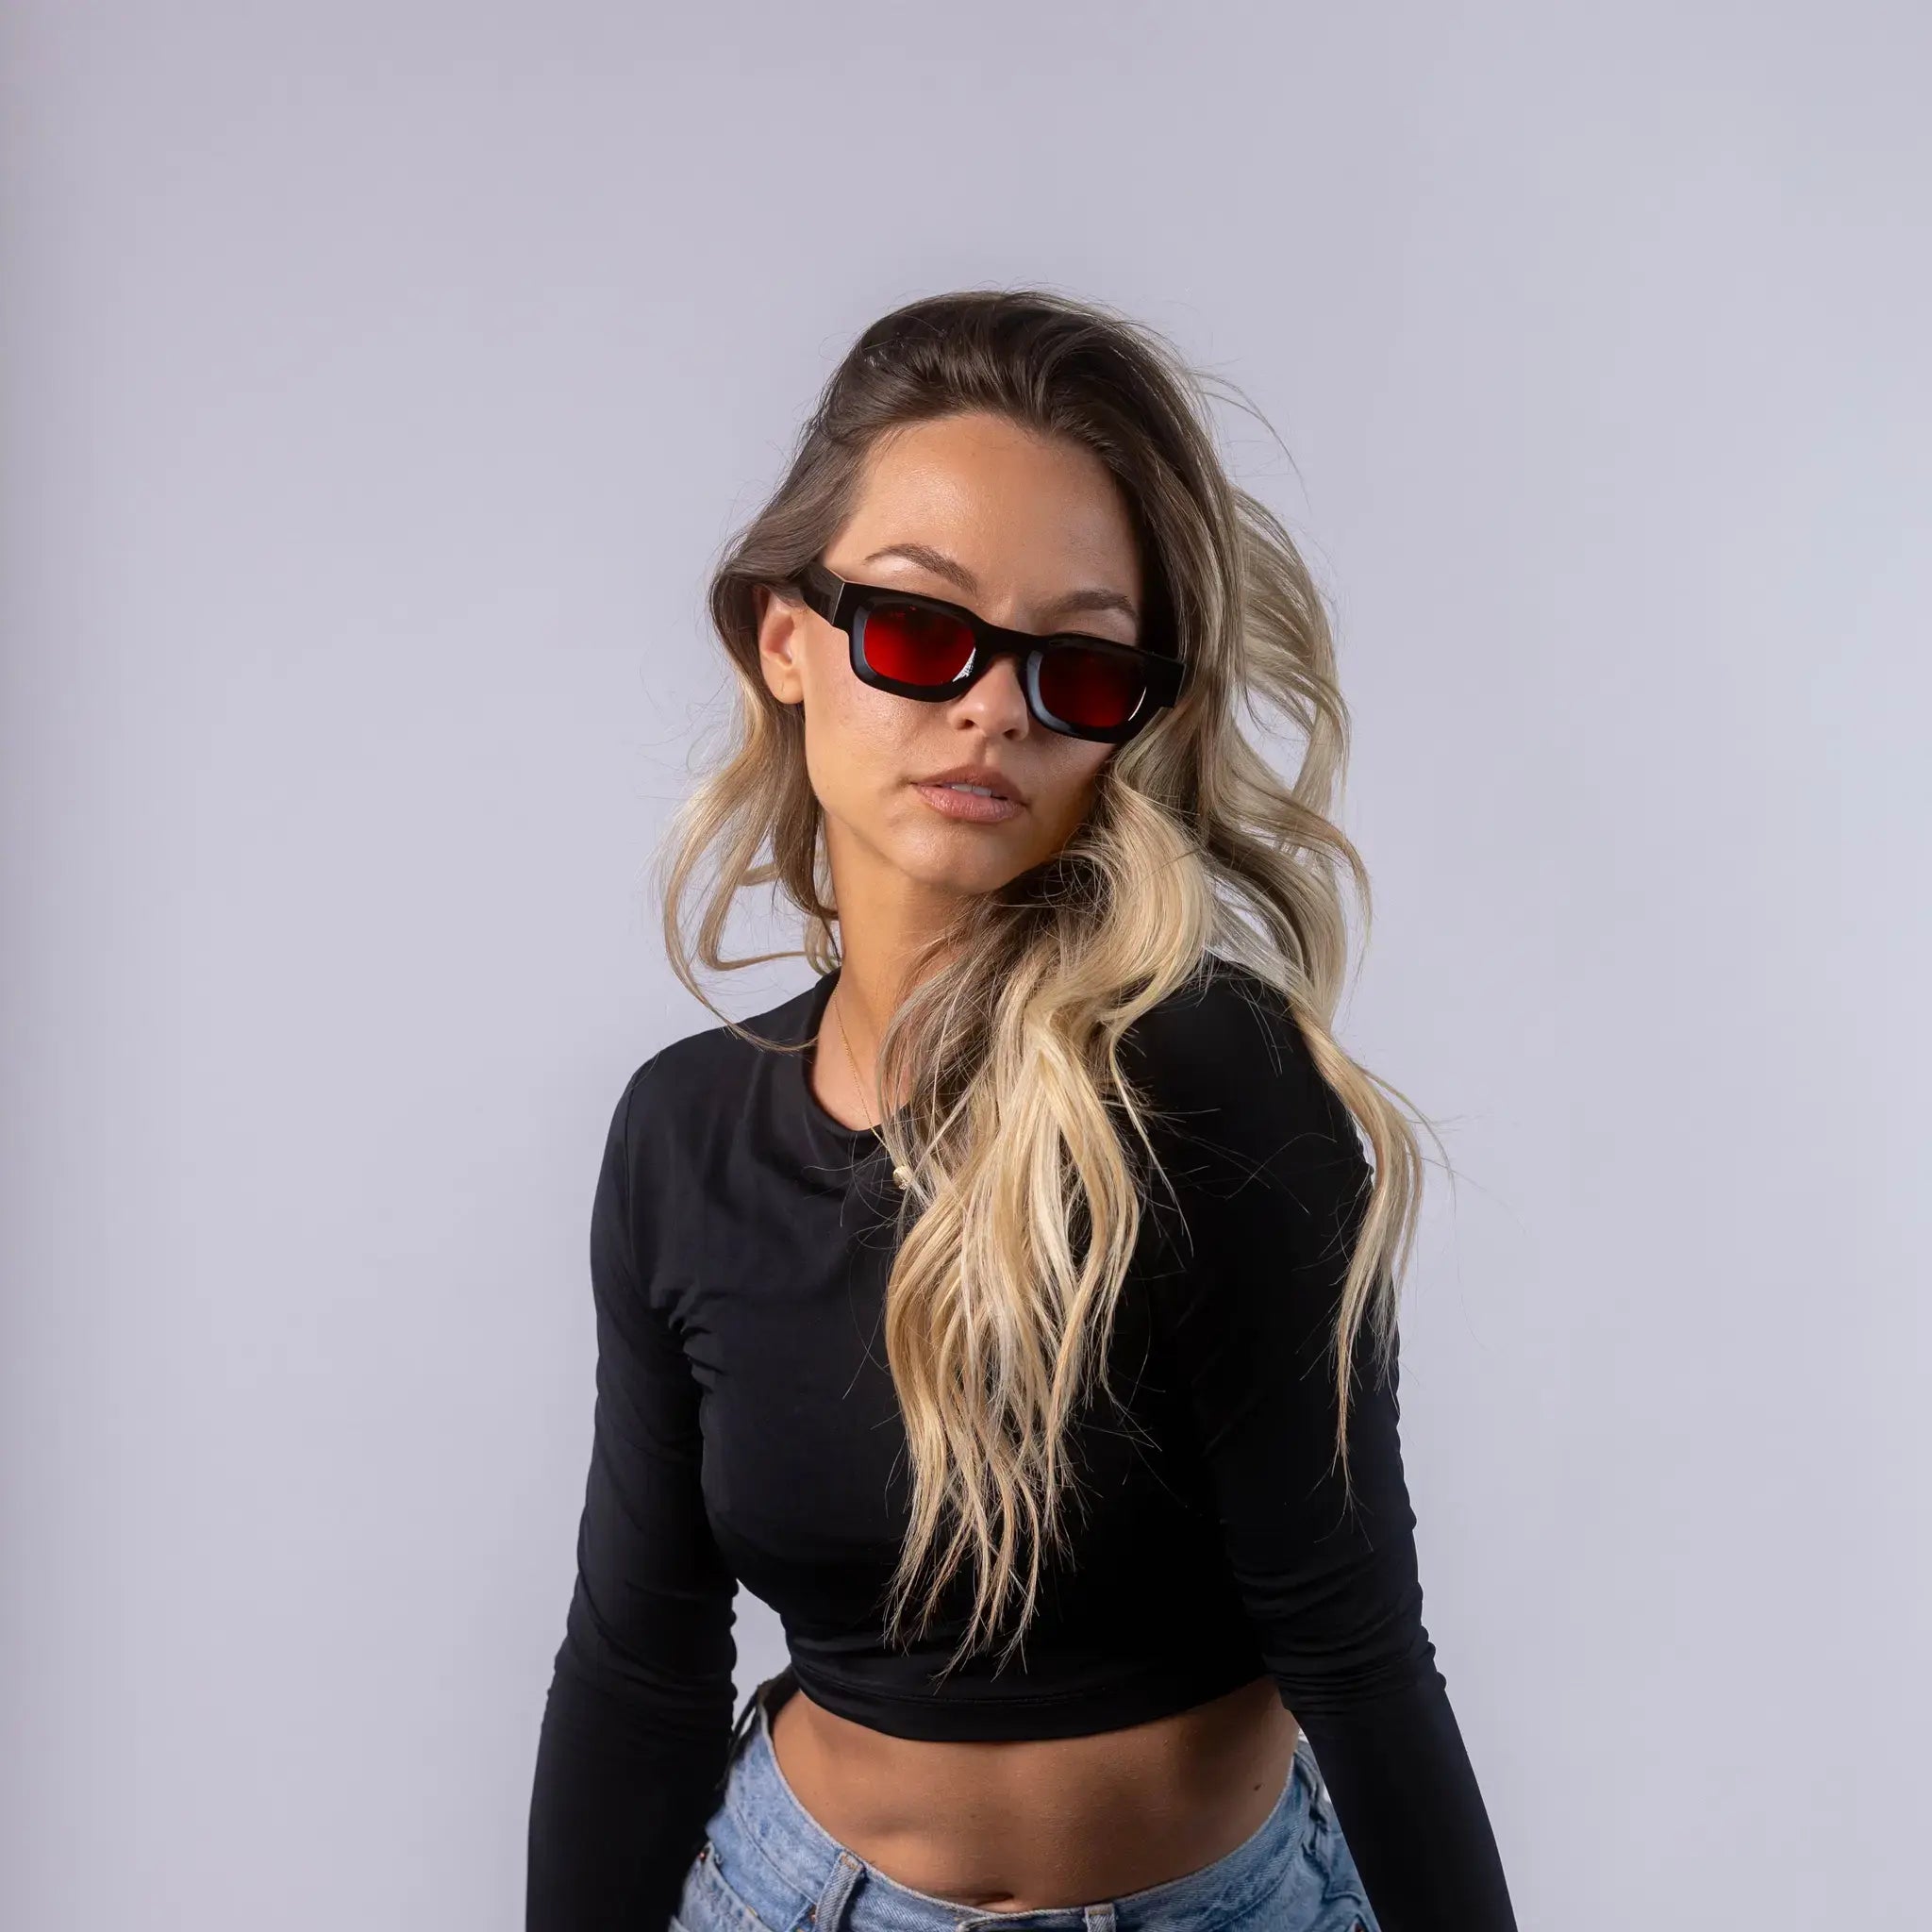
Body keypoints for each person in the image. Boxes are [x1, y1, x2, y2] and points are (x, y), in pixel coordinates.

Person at [525, 290, 1517, 1932]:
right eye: (921, 633)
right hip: (784, 1900)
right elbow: (636, 1662)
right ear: (787, 636)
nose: (993, 707)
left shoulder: (1221, 1088)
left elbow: (1354, 1645)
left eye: (1075, 662)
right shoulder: (680, 1135)